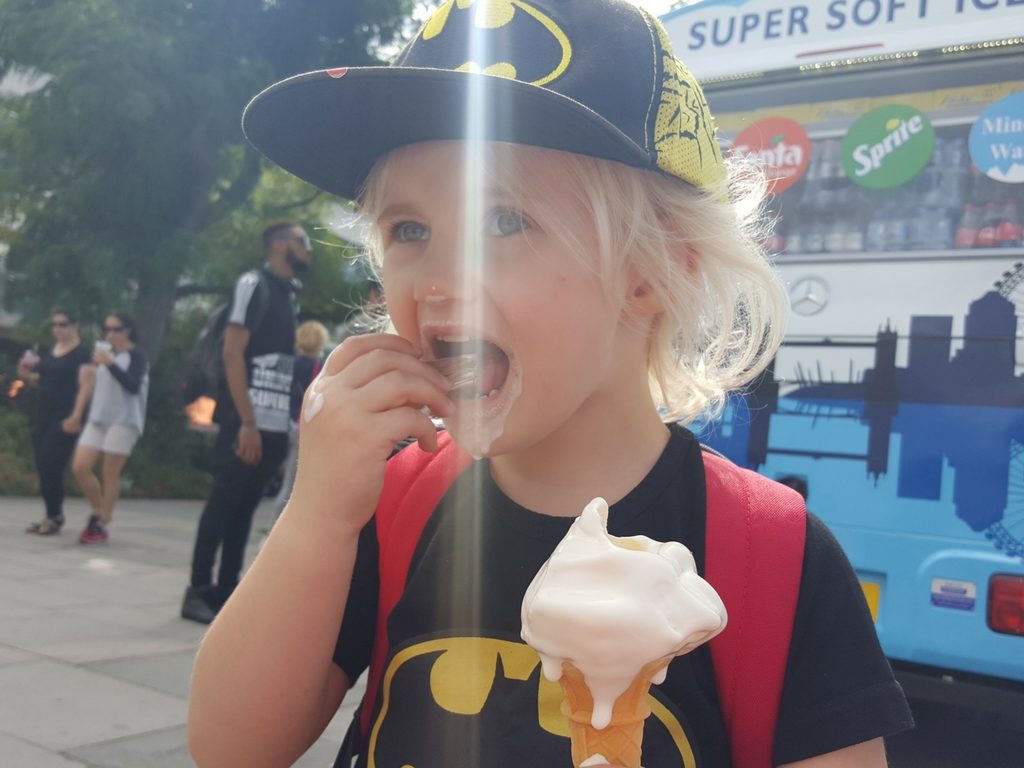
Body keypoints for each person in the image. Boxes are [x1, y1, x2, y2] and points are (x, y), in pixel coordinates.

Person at [189, 2, 913, 767]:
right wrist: (317, 514)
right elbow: (231, 748)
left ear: (653, 273)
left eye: (504, 221)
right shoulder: (390, 506)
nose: (435, 278)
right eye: (409, 229)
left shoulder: (776, 559)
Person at [181, 220, 312, 624]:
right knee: (222, 507)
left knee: (242, 512)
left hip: (271, 426)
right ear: (277, 245)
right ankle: (197, 591)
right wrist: (247, 422)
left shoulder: (288, 295)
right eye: (302, 241)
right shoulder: (253, 283)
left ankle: (225, 591)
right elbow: (232, 353)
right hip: (247, 423)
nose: (308, 249)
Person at [71, 312, 149, 544]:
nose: (110, 334)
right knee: (80, 466)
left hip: (124, 420)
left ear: (127, 330)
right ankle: (98, 510)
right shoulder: (105, 355)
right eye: (107, 329)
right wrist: (89, 376)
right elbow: (97, 386)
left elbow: (132, 386)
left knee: (110, 472)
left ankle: (102, 523)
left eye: (116, 329)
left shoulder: (137, 355)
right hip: (99, 417)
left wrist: (111, 364)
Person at [18, 309, 94, 535]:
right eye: (55, 325)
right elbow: (44, 379)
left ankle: (55, 515)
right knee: (42, 464)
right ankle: (51, 513)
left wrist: (77, 415)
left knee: (50, 460)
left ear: (75, 325)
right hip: (43, 412)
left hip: (66, 413)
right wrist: (27, 375)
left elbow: (86, 386)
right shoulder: (49, 350)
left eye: (63, 324)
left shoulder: (82, 353)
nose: (58, 329)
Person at [273, 319, 330, 516]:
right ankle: (277, 532)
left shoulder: (288, 363)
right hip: (302, 427)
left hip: (281, 423)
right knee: (292, 485)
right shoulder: (320, 367)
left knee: (284, 481)